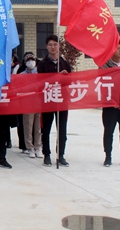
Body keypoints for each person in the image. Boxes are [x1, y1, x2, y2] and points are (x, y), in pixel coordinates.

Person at [37, 34, 71, 168]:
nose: (53, 47)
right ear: (46, 47)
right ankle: (46, 155)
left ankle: (60, 155)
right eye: (50, 45)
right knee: (46, 129)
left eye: (55, 44)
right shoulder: (42, 64)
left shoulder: (65, 64)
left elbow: (70, 81)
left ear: (59, 46)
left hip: (62, 101)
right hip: (48, 100)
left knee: (62, 130)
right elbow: (40, 82)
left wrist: (65, 77)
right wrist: (56, 77)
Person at [19, 52, 42, 159]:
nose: (31, 62)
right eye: (28, 60)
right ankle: (30, 148)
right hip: (27, 102)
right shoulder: (21, 75)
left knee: (38, 127)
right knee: (28, 126)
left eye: (32, 60)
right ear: (25, 62)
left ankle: (38, 147)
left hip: (38, 102)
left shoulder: (39, 73)